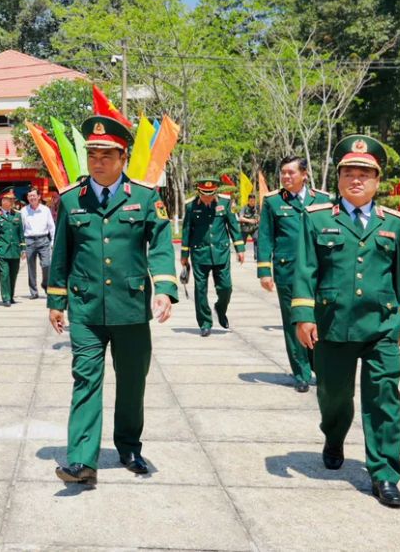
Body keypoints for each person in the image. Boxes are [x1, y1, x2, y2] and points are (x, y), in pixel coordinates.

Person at [49, 116, 177, 485]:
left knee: (132, 381)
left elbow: (161, 245)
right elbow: (61, 253)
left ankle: (129, 446)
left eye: (107, 155)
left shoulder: (145, 197)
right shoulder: (72, 199)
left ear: (123, 158)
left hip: (131, 308)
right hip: (86, 308)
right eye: (92, 155)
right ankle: (81, 459)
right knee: (85, 380)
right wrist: (56, 300)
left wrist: (164, 289)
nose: (98, 162)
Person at [292, 134, 400, 509]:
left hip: (382, 326)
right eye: (349, 173)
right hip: (333, 325)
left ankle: (384, 473)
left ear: (377, 181)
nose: (356, 179)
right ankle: (334, 436)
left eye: (364, 173)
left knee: (384, 399)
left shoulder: (393, 223)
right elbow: (305, 269)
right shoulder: (317, 218)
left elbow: (399, 276)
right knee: (334, 396)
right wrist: (303, 316)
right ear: (339, 178)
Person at [257, 157, 331, 392]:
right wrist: (264, 271)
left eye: (291, 172)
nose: (286, 177)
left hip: (319, 272)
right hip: (288, 271)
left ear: (304, 174)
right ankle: (301, 373)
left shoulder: (323, 200)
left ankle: (320, 367)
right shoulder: (273, 201)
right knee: (294, 323)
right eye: (283, 173)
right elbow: (265, 237)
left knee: (320, 321)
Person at [180, 178, 245, 336]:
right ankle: (205, 323)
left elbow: (233, 225)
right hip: (199, 253)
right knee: (200, 290)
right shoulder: (191, 206)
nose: (208, 198)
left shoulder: (225, 203)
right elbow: (187, 230)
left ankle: (220, 310)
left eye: (211, 194)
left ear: (215, 192)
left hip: (221, 253)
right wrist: (184, 255)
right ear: (199, 192)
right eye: (204, 194)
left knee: (226, 288)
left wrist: (240, 248)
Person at [0, 188, 25, 306]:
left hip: (15, 250)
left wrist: (23, 249)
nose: (12, 202)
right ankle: (5, 297)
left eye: (13, 200)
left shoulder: (18, 215)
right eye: (10, 200)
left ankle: (11, 295)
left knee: (13, 274)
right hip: (2, 250)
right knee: (4, 274)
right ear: (3, 201)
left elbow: (21, 234)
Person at [21, 186, 55, 299]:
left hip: (43, 240)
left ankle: (45, 284)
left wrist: (53, 242)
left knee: (46, 265)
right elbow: (21, 229)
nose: (32, 198)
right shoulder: (24, 211)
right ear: (27, 198)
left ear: (39, 197)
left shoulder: (45, 210)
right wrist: (22, 247)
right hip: (29, 240)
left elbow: (52, 227)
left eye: (34, 195)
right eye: (30, 196)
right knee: (31, 267)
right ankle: (34, 292)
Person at [238, 193, 260, 258]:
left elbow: (260, 215)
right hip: (245, 228)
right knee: (242, 242)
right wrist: (249, 220)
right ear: (248, 201)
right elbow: (240, 218)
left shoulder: (257, 208)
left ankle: (256, 255)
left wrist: (258, 219)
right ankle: (240, 255)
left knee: (257, 239)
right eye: (251, 201)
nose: (252, 202)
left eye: (254, 201)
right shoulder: (244, 208)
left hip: (254, 228)